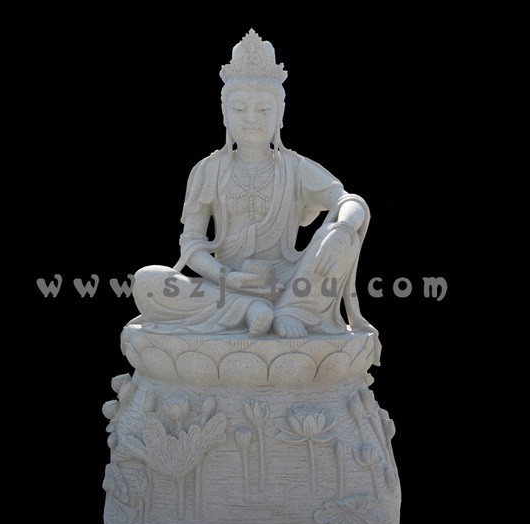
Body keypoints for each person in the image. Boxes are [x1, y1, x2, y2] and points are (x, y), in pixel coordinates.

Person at [133, 30, 378, 353]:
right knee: (147, 280)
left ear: (280, 114)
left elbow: (348, 200)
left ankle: (290, 312)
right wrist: (225, 277)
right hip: (225, 284)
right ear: (224, 114)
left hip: (290, 284)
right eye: (239, 109)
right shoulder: (208, 170)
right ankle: (250, 309)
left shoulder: (295, 167)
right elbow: (191, 242)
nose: (251, 119)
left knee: (343, 237)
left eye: (263, 110)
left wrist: (343, 226)